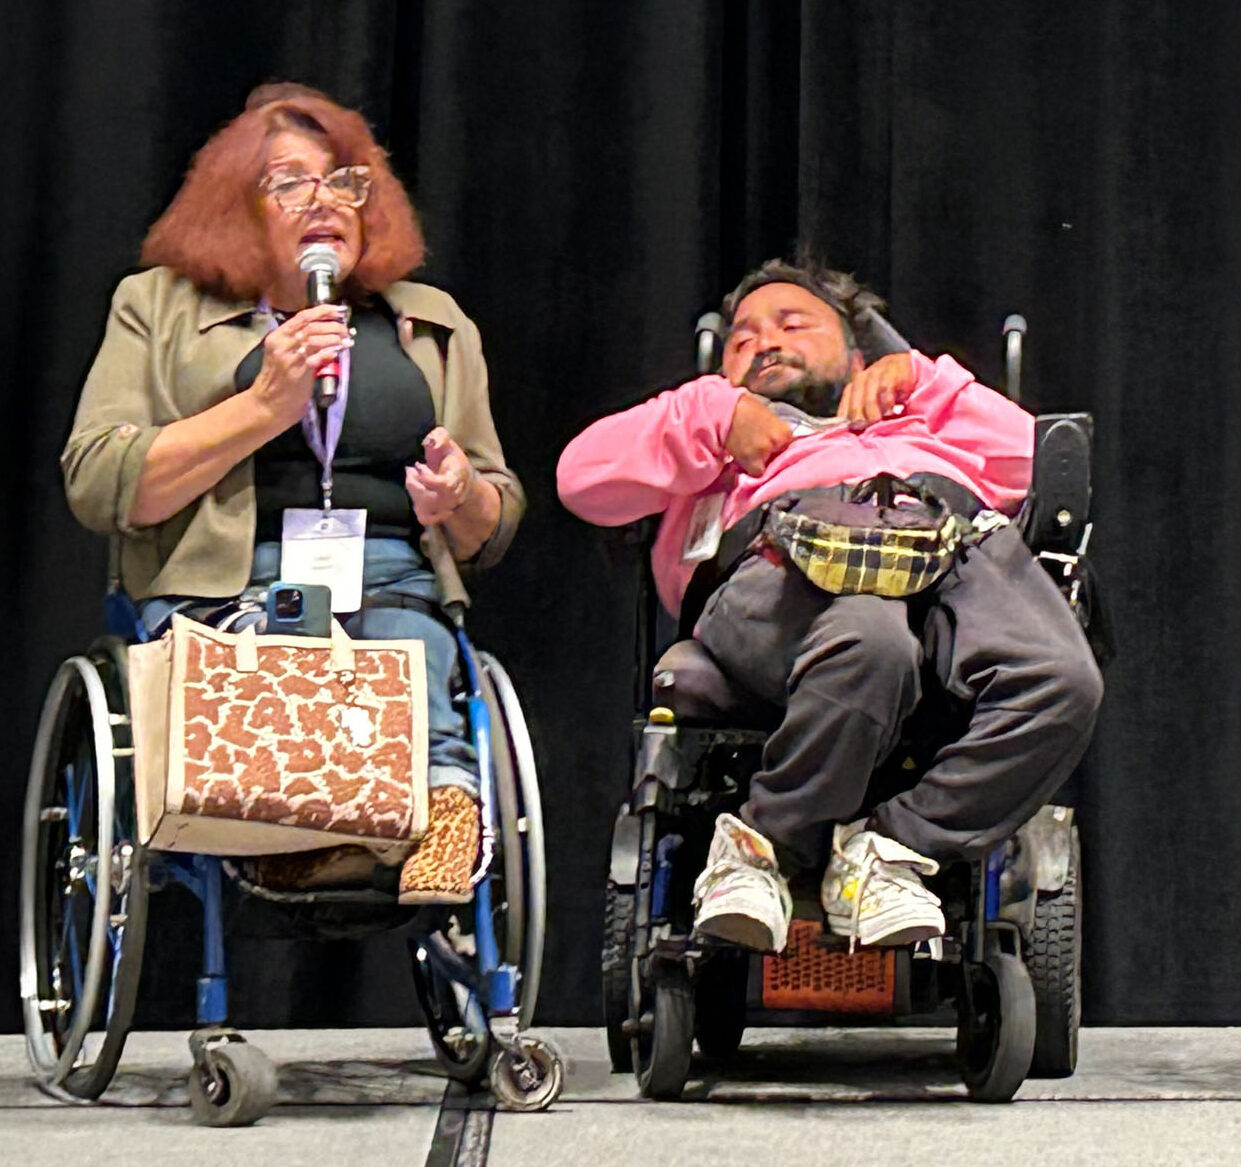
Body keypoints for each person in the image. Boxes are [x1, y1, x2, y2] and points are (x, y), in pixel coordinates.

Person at [62, 84, 524, 904]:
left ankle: (448, 804)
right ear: (237, 208)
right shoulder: (155, 308)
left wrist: (458, 495)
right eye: (291, 183)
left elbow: (495, 514)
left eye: (345, 183)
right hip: (225, 585)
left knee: (404, 638)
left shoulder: (434, 323)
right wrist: (262, 407)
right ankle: (303, 824)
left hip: (392, 565)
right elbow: (101, 480)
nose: (326, 203)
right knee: (287, 645)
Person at [559, 258, 1102, 950]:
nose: (764, 341)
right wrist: (712, 411)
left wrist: (922, 380)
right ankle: (760, 847)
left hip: (944, 537)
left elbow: (1039, 458)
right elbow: (580, 477)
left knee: (1063, 681)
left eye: (791, 323)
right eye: (742, 338)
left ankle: (887, 852)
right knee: (870, 641)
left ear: (855, 352)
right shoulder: (713, 439)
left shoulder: (920, 418)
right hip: (781, 558)